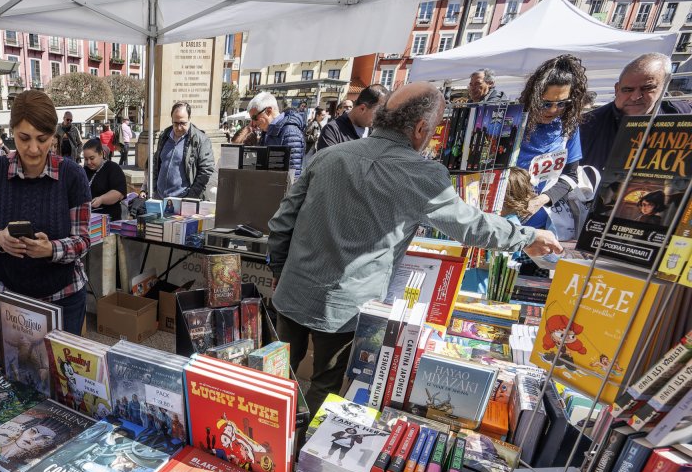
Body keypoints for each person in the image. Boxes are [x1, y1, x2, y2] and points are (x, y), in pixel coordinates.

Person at [266, 82, 562, 412]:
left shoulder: (328, 156)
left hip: (295, 292)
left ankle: (273, 442)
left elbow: (281, 223)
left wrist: (278, 269)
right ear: (420, 128)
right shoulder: (420, 173)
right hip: (344, 308)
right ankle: (299, 452)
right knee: (325, 384)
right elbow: (471, 226)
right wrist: (527, 236)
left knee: (280, 378)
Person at [0, 90, 91, 334]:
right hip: (11, 296)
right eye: (24, 138)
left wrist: (51, 250)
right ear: (12, 131)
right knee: (16, 369)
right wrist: (0, 240)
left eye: (42, 138)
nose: (34, 149)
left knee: (62, 371)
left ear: (54, 134)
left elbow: (83, 240)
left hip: (64, 296)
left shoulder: (72, 175)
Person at [514, 55, 590, 236]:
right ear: (533, 97)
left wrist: (541, 200)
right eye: (545, 103)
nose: (553, 110)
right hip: (504, 220)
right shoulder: (513, 122)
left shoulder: (568, 127)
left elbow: (570, 176)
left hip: (542, 224)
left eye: (562, 103)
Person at [580, 53, 692, 171]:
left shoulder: (683, 116)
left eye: (647, 88)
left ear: (664, 87)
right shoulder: (587, 124)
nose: (635, 97)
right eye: (627, 90)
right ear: (617, 89)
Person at [151, 102, 216, 200]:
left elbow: (206, 170)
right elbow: (156, 162)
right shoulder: (164, 136)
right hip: (160, 197)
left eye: (183, 123)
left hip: (184, 199)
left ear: (189, 119)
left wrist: (191, 196)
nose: (179, 127)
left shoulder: (201, 140)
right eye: (175, 123)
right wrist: (155, 187)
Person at [237, 92, 306, 178]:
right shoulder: (267, 131)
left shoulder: (290, 132)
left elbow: (294, 176)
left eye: (255, 118)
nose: (253, 123)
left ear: (268, 111)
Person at [318, 84, 388, 150]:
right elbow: (327, 161)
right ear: (362, 109)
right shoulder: (332, 130)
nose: (381, 117)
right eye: (379, 112)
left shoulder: (376, 132)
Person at [82, 138, 127, 221]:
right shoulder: (84, 170)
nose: (88, 162)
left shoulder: (112, 168)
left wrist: (101, 199)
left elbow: (119, 193)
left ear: (101, 154)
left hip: (110, 218)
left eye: (92, 158)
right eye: (85, 159)